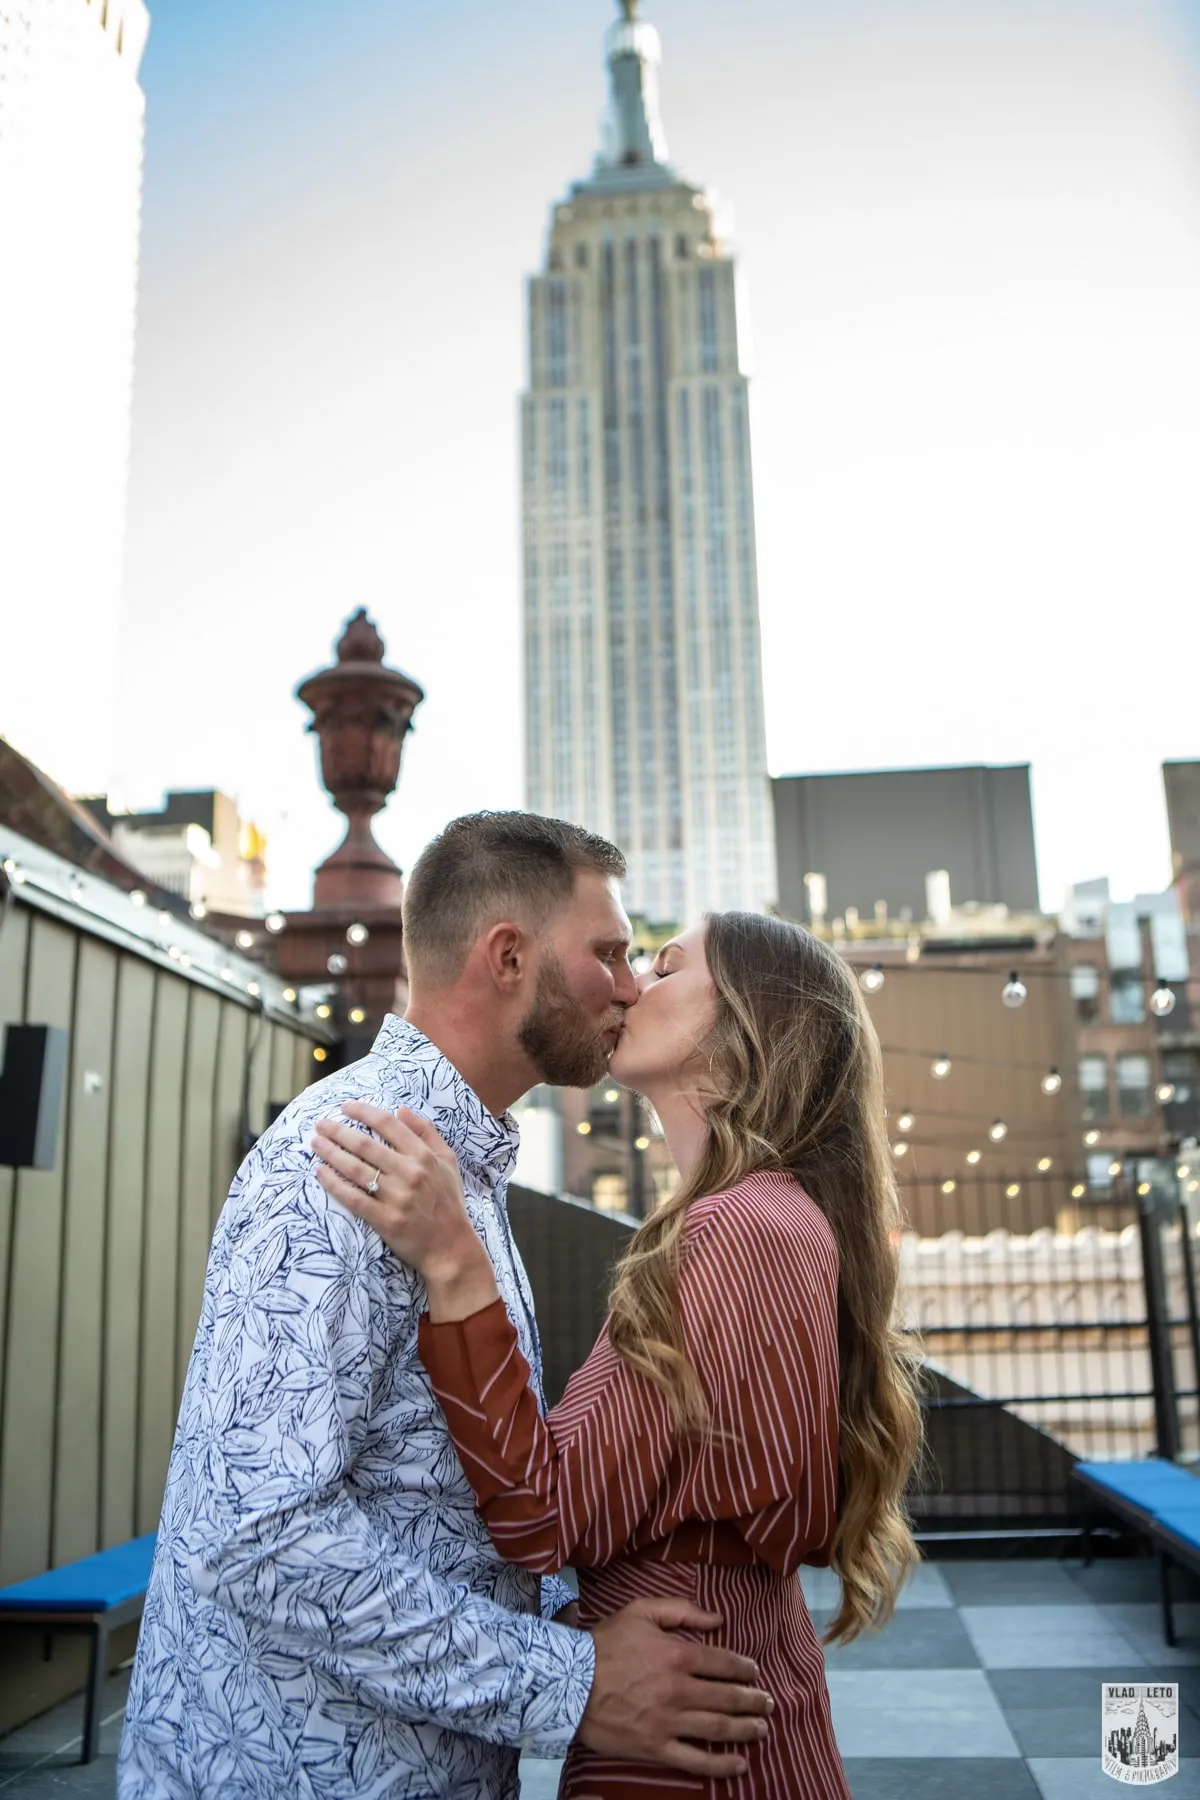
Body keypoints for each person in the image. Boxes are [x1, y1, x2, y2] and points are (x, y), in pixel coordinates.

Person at [117, 814, 774, 1800]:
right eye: (609, 954)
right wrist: (572, 1682)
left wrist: (562, 1633)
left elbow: (441, 1509)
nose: (631, 986)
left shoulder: (453, 1168)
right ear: (509, 957)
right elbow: (258, 1534)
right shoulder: (340, 1160)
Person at [312, 909, 927, 1798]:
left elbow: (545, 1512)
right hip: (724, 1692)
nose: (631, 985)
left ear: (748, 1025)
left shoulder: (739, 1228)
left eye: (667, 967)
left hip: (686, 1736)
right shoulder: (770, 1216)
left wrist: (455, 1265)